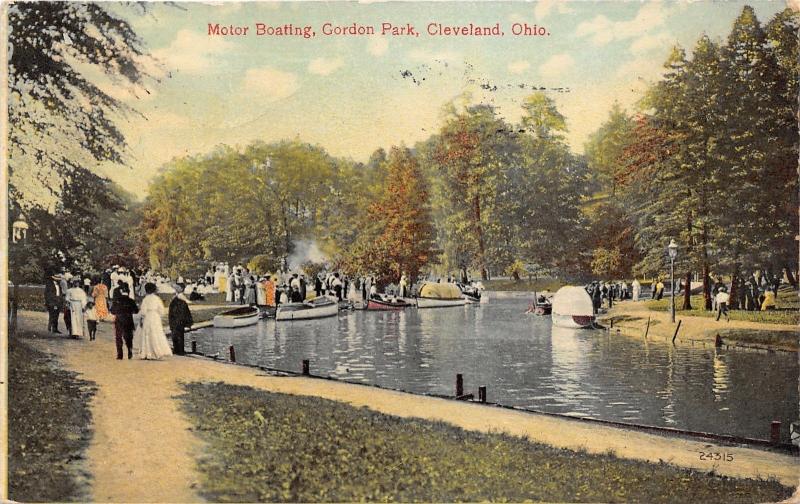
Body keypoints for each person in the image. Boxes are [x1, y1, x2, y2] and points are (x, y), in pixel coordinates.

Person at [138, 283, 172, 360]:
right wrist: (158, 315)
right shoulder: (157, 299)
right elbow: (161, 310)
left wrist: (142, 319)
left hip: (148, 316)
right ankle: (158, 352)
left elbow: (143, 311)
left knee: (147, 333)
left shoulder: (145, 299)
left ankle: (147, 353)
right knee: (157, 333)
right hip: (155, 316)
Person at [111, 285, 139, 359]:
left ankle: (120, 354)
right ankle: (129, 350)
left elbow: (112, 311)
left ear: (121, 292)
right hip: (128, 320)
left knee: (118, 337)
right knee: (129, 337)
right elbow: (136, 311)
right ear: (129, 292)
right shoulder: (131, 301)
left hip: (119, 320)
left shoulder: (117, 300)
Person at [168, 287, 193, 356]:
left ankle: (177, 349)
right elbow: (186, 313)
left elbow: (170, 313)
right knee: (180, 336)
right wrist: (189, 323)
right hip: (180, 321)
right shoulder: (183, 303)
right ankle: (180, 350)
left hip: (175, 321)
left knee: (175, 335)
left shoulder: (173, 302)